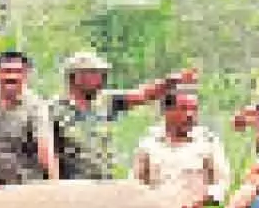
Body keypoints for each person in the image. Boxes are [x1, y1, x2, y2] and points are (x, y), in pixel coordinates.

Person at [50, 50, 187, 181]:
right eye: (94, 74)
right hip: (72, 188)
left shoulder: (106, 101)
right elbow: (48, 152)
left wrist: (170, 82)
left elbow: (142, 95)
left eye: (101, 74)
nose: (100, 78)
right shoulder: (55, 109)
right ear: (77, 77)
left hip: (105, 183)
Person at [132, 69, 231, 208]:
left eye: (194, 109)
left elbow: (222, 181)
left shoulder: (207, 142)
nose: (190, 115)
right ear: (167, 111)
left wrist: (203, 199)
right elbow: (135, 185)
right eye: (184, 109)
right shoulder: (149, 144)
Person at [0, 49, 58, 186]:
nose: (12, 76)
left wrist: (55, 184)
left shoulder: (36, 106)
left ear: (26, 75)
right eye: (7, 71)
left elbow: (45, 147)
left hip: (27, 182)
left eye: (18, 72)